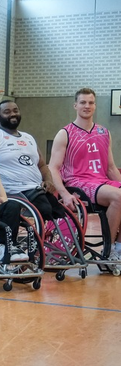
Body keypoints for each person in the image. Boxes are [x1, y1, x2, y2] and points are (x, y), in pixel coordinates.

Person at [49, 88, 121, 261]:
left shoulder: (104, 133)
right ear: (75, 105)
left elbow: (111, 168)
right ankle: (108, 250)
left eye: (90, 103)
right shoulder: (64, 133)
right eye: (82, 102)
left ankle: (119, 246)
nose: (86, 106)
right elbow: (53, 168)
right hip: (78, 183)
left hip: (101, 182)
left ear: (95, 106)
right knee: (118, 197)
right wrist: (65, 194)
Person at [0, 100, 67, 221]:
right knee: (45, 210)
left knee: (60, 212)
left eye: (15, 110)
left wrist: (49, 180)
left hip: (36, 189)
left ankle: (51, 239)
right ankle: (36, 238)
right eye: (7, 112)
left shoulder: (28, 137)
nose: (12, 114)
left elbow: (42, 165)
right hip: (14, 191)